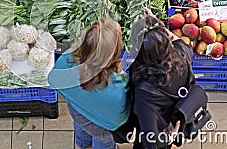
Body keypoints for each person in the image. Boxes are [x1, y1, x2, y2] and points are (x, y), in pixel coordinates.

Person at [48, 18, 131, 149]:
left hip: (77, 112)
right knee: (103, 141)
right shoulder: (118, 87)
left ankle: (83, 144)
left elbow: (53, 80)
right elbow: (119, 119)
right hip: (101, 125)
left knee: (81, 129)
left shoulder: (68, 58)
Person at [129, 8, 194, 149]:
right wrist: (157, 27)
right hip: (174, 115)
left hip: (161, 128)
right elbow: (177, 40)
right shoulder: (181, 55)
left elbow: (151, 142)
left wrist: (169, 137)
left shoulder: (144, 91)